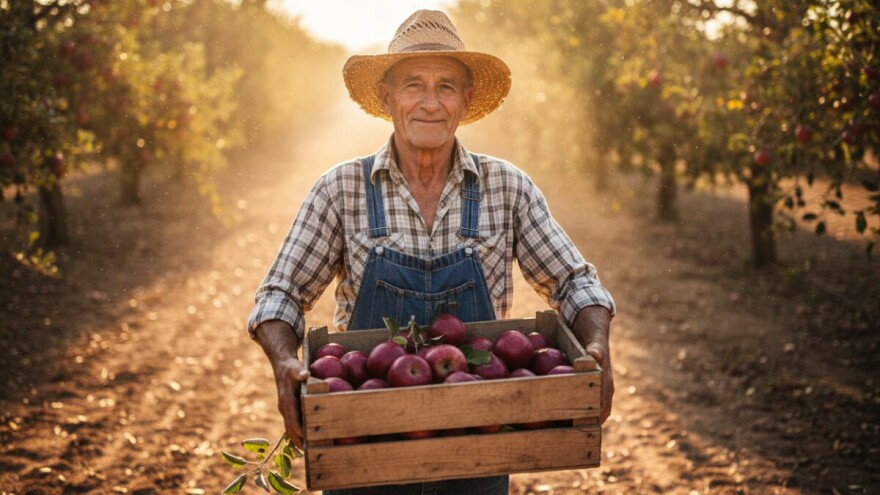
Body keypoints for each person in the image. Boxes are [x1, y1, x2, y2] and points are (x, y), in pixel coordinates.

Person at [247, 9, 616, 495]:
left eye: (445, 86)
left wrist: (597, 345)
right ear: (386, 97)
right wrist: (283, 362)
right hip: (365, 442)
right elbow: (280, 294)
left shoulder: (506, 187)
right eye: (413, 85)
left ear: (466, 100)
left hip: (478, 437)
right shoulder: (341, 189)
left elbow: (575, 282)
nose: (430, 102)